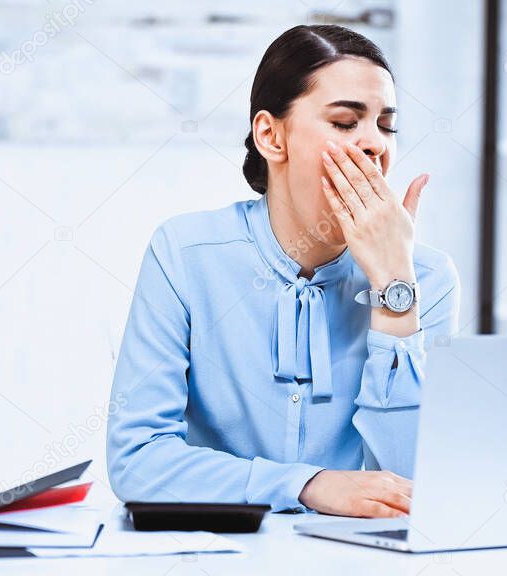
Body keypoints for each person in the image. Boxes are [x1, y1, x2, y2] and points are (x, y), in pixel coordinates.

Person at [106, 24, 459, 518]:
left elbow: (416, 486)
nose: (374, 143)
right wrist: (305, 485)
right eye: (344, 122)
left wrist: (392, 287)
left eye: (386, 125)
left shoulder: (427, 279)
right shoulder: (185, 255)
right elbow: (138, 462)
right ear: (271, 136)